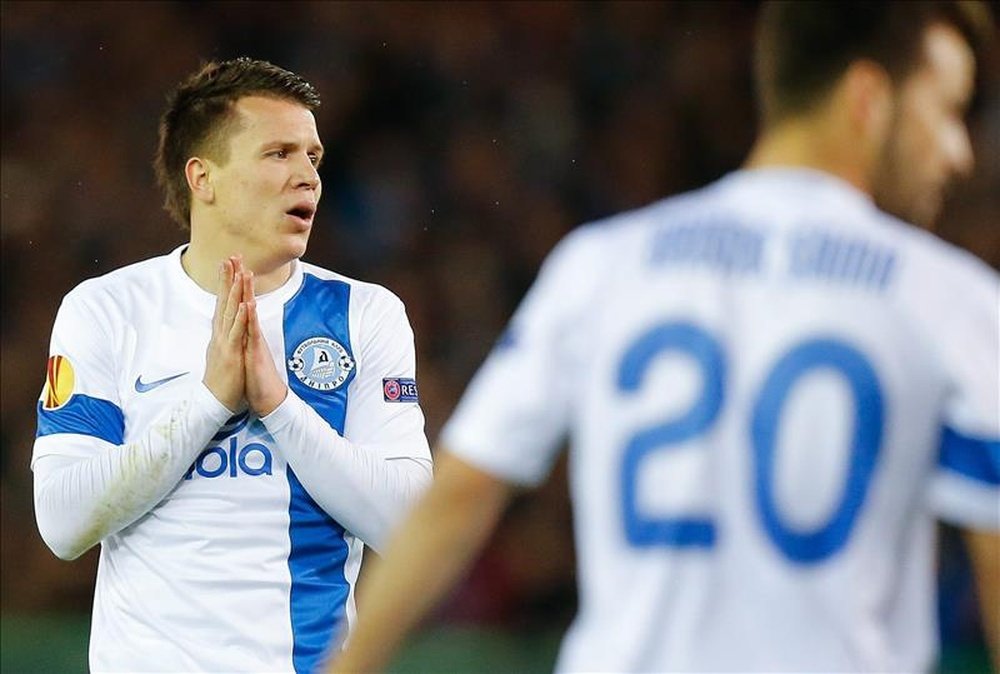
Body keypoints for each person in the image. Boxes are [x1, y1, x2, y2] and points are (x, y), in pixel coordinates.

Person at [328, 2, 998, 672]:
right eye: (945, 109)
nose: (957, 151)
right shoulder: (946, 299)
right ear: (868, 99)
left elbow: (460, 495)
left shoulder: (605, 263)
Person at [31, 57, 433, 673]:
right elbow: (62, 523)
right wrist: (209, 402)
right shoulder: (108, 309)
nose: (308, 177)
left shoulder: (364, 314)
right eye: (279, 154)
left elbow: (409, 527)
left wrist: (278, 405)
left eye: (313, 157)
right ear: (203, 177)